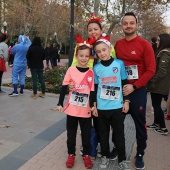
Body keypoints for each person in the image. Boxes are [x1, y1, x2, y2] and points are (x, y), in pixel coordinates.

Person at [71, 13, 117, 159]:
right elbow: (73, 64)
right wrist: (71, 81)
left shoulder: (109, 46)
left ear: (100, 29)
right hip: (84, 88)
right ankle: (86, 145)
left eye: (95, 29)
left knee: (99, 120)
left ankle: (97, 145)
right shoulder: (82, 46)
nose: (93, 32)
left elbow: (114, 65)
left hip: (102, 88)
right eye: (90, 30)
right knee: (85, 118)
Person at [114, 12, 156, 170]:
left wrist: (135, 85)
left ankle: (140, 153)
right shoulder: (118, 44)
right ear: (122, 26)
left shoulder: (144, 45)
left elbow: (151, 70)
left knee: (139, 123)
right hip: (121, 90)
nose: (128, 26)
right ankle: (117, 148)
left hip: (137, 90)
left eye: (132, 23)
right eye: (125, 23)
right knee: (117, 122)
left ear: (137, 25)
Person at [53, 35, 96, 169]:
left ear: (89, 57)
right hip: (72, 109)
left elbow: (92, 91)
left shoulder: (91, 72)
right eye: (81, 55)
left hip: (85, 110)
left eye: (86, 56)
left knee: (86, 134)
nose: (84, 58)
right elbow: (63, 87)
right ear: (76, 56)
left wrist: (93, 106)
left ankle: (86, 155)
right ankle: (71, 154)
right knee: (71, 133)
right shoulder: (71, 70)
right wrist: (60, 103)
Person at [93, 34, 130, 170]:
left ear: (109, 48)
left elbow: (124, 82)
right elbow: (95, 88)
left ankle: (122, 160)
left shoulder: (119, 64)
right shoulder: (96, 68)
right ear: (96, 54)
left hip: (117, 106)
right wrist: (94, 106)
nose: (102, 53)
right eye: (98, 51)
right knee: (103, 134)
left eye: (104, 50)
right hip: (102, 108)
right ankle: (105, 156)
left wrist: (126, 101)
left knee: (119, 134)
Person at [147, 33, 170, 134]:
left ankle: (163, 128)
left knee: (156, 105)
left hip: (159, 84)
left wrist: (152, 80)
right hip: (159, 84)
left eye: (159, 40)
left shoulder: (165, 53)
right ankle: (156, 124)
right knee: (155, 104)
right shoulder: (162, 52)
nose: (157, 42)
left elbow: (162, 71)